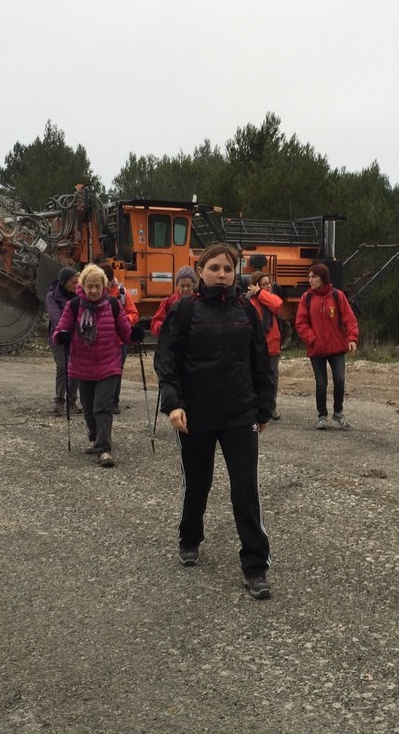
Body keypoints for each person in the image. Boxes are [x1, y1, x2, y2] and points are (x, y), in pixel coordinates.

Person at [154, 244, 275, 599]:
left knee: (245, 491)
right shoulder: (185, 310)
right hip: (195, 416)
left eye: (228, 268)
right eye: (214, 268)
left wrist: (263, 408)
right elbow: (168, 361)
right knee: (198, 483)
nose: (222, 274)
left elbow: (260, 361)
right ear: (201, 270)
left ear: (235, 273)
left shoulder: (246, 311)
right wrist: (173, 404)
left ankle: (255, 566)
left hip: (240, 416)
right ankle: (190, 537)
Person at [52, 263, 141, 468]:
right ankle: (93, 437)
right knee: (88, 408)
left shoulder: (113, 304)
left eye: (97, 286)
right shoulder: (74, 306)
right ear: (82, 286)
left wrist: (134, 336)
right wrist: (62, 337)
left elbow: (125, 332)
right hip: (82, 366)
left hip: (109, 364)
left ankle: (104, 449)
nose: (93, 290)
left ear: (104, 286)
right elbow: (60, 330)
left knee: (102, 407)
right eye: (89, 286)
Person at [294, 263, 359, 430]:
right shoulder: (306, 298)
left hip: (337, 347)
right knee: (321, 383)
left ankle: (338, 412)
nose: (310, 280)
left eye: (313, 277)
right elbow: (301, 323)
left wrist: (352, 338)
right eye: (309, 277)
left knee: (340, 379)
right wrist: (311, 338)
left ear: (322, 278)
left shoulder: (337, 296)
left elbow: (349, 318)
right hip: (316, 349)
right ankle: (321, 415)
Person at [98, 261, 139, 415]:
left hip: (120, 341)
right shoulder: (96, 293)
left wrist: (122, 322)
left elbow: (134, 314)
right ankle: (102, 400)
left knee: (116, 371)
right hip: (101, 340)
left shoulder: (122, 294)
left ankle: (114, 402)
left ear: (109, 280)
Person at [246, 270, 283, 420]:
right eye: (264, 284)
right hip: (256, 346)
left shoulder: (271, 298)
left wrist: (261, 292)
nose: (268, 286)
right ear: (255, 285)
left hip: (272, 346)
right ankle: (255, 405)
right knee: (254, 377)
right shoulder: (250, 301)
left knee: (272, 378)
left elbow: (277, 304)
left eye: (269, 284)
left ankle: (271, 406)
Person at [45, 266, 82, 415]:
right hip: (58, 336)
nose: (77, 285)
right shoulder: (52, 296)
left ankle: (72, 401)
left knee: (74, 368)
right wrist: (65, 330)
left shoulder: (80, 295)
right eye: (74, 282)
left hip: (77, 336)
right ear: (64, 282)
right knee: (63, 366)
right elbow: (56, 317)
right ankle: (59, 401)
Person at [149, 265, 196, 338]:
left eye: (188, 285)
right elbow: (154, 324)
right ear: (177, 286)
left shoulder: (199, 301)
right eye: (182, 286)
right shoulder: (169, 301)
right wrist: (162, 327)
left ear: (193, 285)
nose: (185, 289)